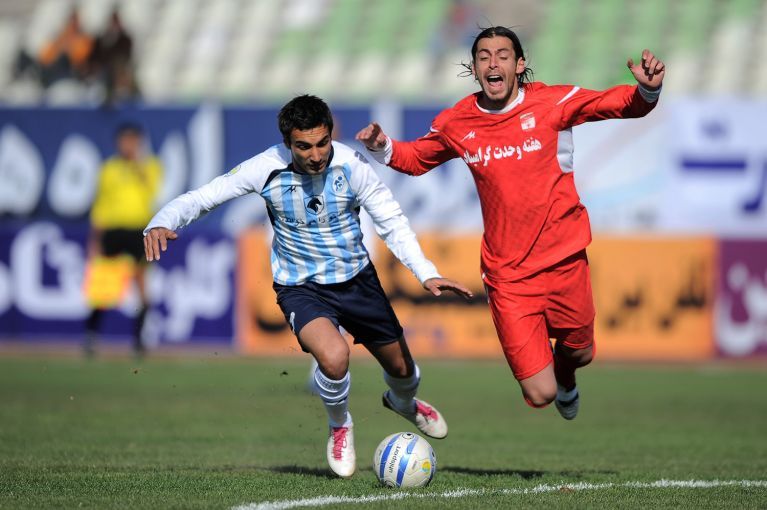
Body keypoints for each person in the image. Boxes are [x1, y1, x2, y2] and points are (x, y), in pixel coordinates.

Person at [143, 95, 473, 478]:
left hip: (357, 281)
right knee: (334, 357)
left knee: (404, 370)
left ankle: (404, 402)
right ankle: (340, 425)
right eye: (304, 146)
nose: (316, 155)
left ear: (330, 135)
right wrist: (162, 220)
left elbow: (392, 221)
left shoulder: (353, 165)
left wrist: (425, 272)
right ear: (287, 143)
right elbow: (205, 197)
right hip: (300, 286)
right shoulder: (265, 168)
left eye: (322, 143)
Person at [356, 26, 665, 420]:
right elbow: (416, 158)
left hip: (565, 260)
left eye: (502, 55)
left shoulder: (553, 103)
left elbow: (619, 104)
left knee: (581, 353)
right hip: (509, 276)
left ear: (519, 65)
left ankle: (567, 376)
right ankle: (556, 384)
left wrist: (648, 91)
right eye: (483, 57)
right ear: (474, 68)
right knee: (540, 393)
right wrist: (382, 145)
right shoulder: (457, 121)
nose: (493, 63)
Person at [86, 123, 163, 359]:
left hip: (139, 230)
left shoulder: (150, 166)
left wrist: (137, 164)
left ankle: (139, 339)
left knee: (141, 284)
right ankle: (91, 336)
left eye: (132, 141)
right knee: (104, 286)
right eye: (124, 141)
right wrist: (95, 240)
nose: (128, 145)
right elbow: (100, 206)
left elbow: (153, 191)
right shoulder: (109, 169)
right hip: (113, 231)